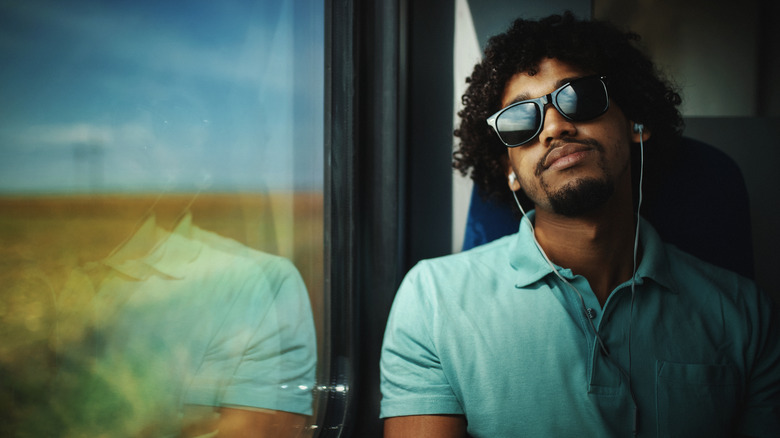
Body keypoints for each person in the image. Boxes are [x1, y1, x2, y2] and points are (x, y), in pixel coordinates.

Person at [380, 12, 780, 437]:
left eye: (579, 97)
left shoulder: (743, 314)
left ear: (635, 124)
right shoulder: (433, 302)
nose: (553, 127)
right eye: (520, 120)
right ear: (509, 171)